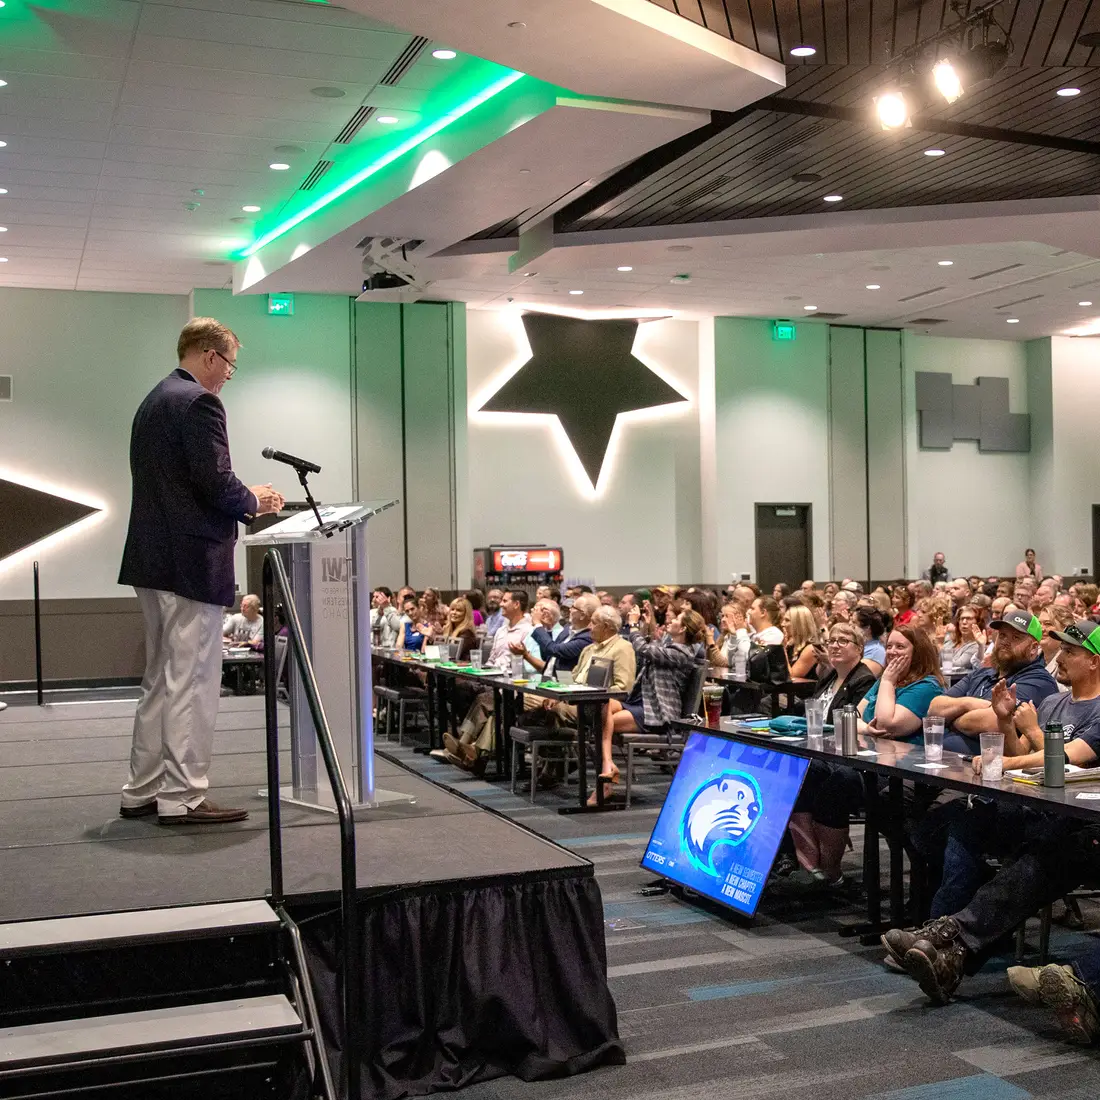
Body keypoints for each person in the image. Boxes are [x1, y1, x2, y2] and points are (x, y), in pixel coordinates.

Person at [117, 317, 284, 826]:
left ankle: (142, 789)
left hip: (153, 558)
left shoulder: (153, 401)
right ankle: (183, 794)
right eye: (230, 364)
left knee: (160, 680)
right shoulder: (199, 403)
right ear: (211, 356)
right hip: (191, 561)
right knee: (190, 681)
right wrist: (255, 500)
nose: (229, 375)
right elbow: (214, 481)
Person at [888, 621, 1100, 1005]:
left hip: (1069, 819)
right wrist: (1004, 719)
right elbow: (1021, 754)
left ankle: (942, 938)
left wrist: (1015, 751)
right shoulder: (1054, 702)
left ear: (1094, 662)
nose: (1061, 658)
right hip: (1030, 808)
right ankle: (944, 939)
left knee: (1040, 854)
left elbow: (1072, 760)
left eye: (1070, 651)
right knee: (959, 821)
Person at [597, 606, 707, 803]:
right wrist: (646, 626)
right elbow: (653, 647)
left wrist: (632, 625)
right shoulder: (672, 646)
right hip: (641, 703)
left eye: (676, 620)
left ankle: (604, 782)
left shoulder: (683, 654)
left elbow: (644, 650)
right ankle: (608, 765)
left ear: (682, 629)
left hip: (657, 713)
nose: (670, 621)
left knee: (605, 722)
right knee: (602, 705)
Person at [927, 609, 1059, 754]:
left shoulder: (1039, 681)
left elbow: (992, 723)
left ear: (1034, 648)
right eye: (1002, 635)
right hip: (942, 759)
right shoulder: (981, 674)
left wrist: (951, 719)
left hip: (985, 768)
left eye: (1016, 638)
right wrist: (968, 703)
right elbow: (934, 708)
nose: (1005, 642)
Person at [444, 590, 533, 772]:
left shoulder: (528, 631)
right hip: (493, 679)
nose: (500, 604)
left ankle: (466, 748)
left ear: (516, 604)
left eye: (505, 601)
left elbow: (527, 665)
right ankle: (470, 751)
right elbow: (492, 658)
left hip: (514, 685)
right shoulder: (501, 630)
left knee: (484, 701)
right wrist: (486, 669)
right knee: (474, 697)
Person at [529, 593, 597, 673]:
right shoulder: (567, 629)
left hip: (565, 683)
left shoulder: (587, 639)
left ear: (582, 615)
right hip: (548, 680)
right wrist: (548, 628)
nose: (570, 610)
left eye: (573, 607)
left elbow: (554, 650)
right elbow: (548, 655)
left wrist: (537, 623)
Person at [939, 605, 985, 673]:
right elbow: (937, 664)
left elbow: (955, 667)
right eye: (962, 618)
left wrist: (940, 645)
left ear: (978, 622)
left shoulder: (976, 646)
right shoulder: (950, 641)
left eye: (969, 619)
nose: (964, 622)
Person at [782, 604, 820, 678]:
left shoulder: (811, 648)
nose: (782, 624)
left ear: (799, 623)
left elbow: (792, 676)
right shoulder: (791, 644)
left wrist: (782, 649)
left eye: (787, 620)